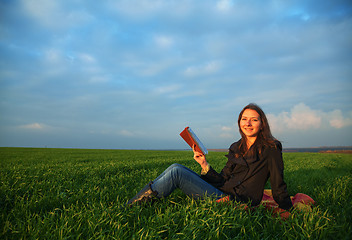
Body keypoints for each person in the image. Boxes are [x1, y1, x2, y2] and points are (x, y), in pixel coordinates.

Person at [127, 103, 293, 211]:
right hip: (221, 193)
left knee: (177, 173)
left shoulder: (271, 148)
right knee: (176, 167)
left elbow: (278, 184)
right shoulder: (236, 147)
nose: (248, 124)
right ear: (239, 122)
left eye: (253, 120)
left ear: (261, 123)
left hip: (236, 203)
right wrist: (204, 164)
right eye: (244, 119)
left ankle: (131, 208)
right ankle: (137, 204)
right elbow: (222, 179)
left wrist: (288, 209)